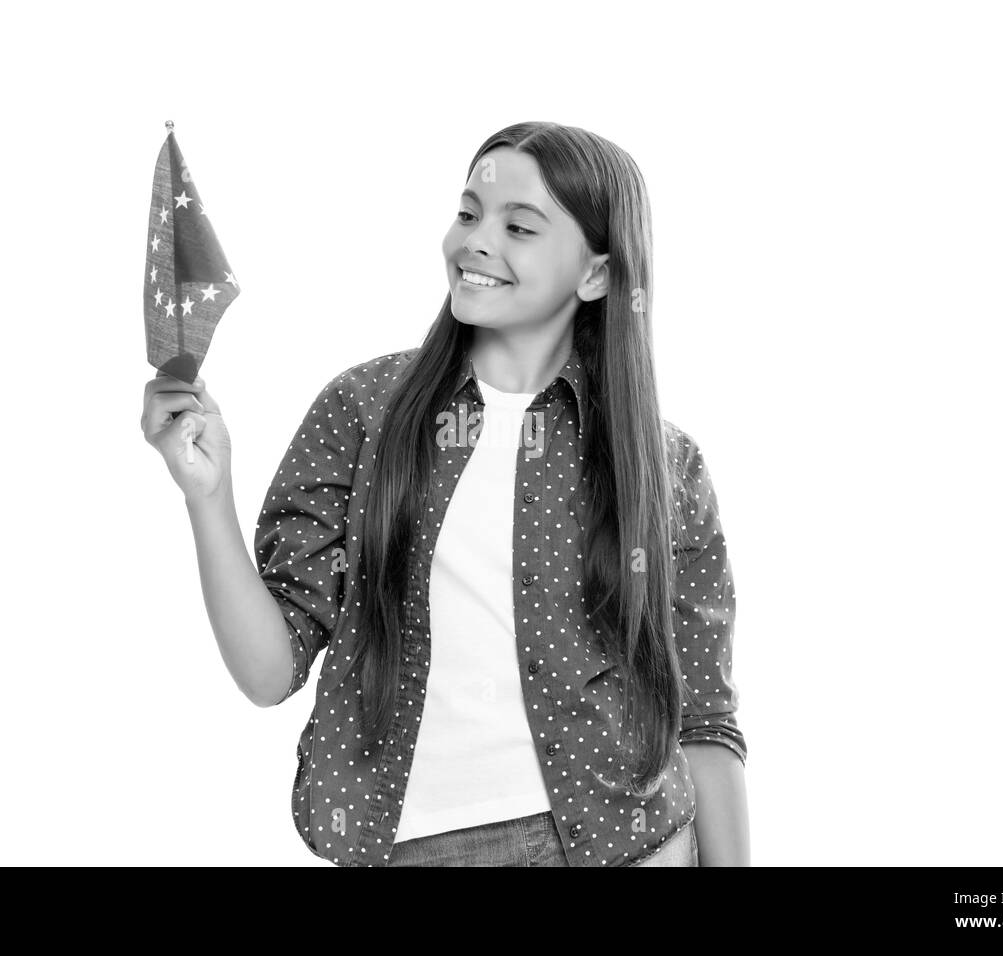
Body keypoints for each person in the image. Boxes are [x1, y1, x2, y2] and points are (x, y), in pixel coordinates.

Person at [141, 121, 749, 867]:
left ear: (595, 274)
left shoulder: (664, 463)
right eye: (468, 214)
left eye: (518, 226)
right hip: (414, 846)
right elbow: (269, 673)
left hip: (630, 846)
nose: (475, 241)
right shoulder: (363, 411)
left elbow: (705, 721)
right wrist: (207, 493)